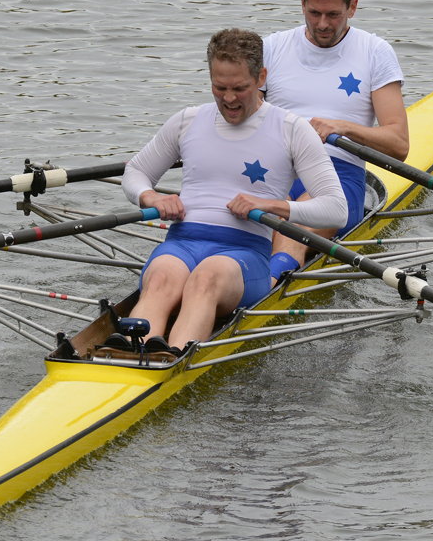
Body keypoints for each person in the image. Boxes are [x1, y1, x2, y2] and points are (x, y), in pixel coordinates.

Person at [119, 28, 347, 353]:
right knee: (159, 279)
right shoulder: (187, 121)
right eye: (219, 87)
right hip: (182, 243)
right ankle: (131, 353)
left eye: (239, 88)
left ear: (261, 77)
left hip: (243, 256)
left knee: (205, 279)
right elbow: (136, 171)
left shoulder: (291, 129)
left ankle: (171, 361)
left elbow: (336, 209)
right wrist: (150, 197)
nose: (228, 99)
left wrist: (274, 206)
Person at [262, 0, 409, 277]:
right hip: (274, 167)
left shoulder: (375, 52)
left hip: (337, 173)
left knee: (297, 222)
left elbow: (398, 144)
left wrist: (341, 128)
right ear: (301, 2)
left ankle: (270, 283)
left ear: (352, 7)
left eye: (333, 14)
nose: (323, 24)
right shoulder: (271, 48)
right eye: (314, 13)